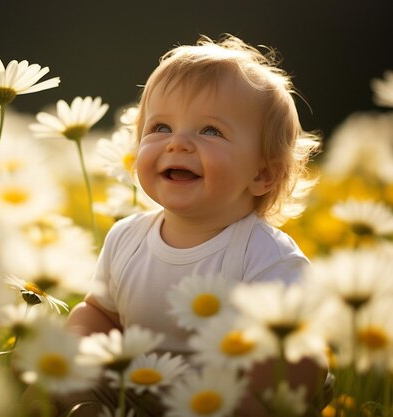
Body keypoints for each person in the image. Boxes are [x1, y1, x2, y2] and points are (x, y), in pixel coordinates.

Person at [61, 35, 330, 416]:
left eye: (210, 131)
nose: (178, 143)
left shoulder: (266, 257)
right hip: (138, 391)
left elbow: (302, 353)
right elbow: (100, 313)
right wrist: (79, 354)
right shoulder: (126, 239)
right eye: (160, 128)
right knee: (58, 387)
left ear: (264, 175)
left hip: (226, 399)